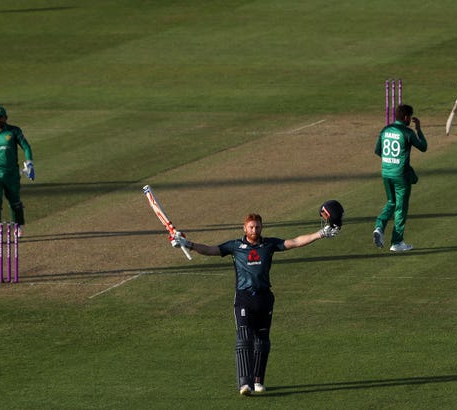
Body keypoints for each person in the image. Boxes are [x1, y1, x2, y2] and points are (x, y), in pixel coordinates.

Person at [169, 204, 342, 396]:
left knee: (262, 341)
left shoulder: (268, 245)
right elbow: (210, 250)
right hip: (244, 297)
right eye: (251, 227)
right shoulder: (235, 246)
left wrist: (321, 234)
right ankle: (245, 383)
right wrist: (189, 244)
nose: (254, 230)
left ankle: (258, 381)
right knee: (244, 338)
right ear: (244, 228)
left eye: (257, 227)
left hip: (265, 297)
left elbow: (294, 242)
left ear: (261, 228)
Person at [372, 104, 427, 252]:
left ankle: (379, 226)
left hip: (386, 172)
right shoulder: (407, 132)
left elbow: (378, 151)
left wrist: (391, 159)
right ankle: (397, 242)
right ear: (406, 117)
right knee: (401, 208)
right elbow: (423, 147)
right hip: (401, 175)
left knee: (391, 202)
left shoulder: (385, 130)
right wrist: (419, 129)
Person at [0, 106, 35, 244]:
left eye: (1, 117)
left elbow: (26, 147)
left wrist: (29, 163)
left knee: (14, 201)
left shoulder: (14, 131)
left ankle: (18, 224)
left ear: (6, 118)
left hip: (11, 174)